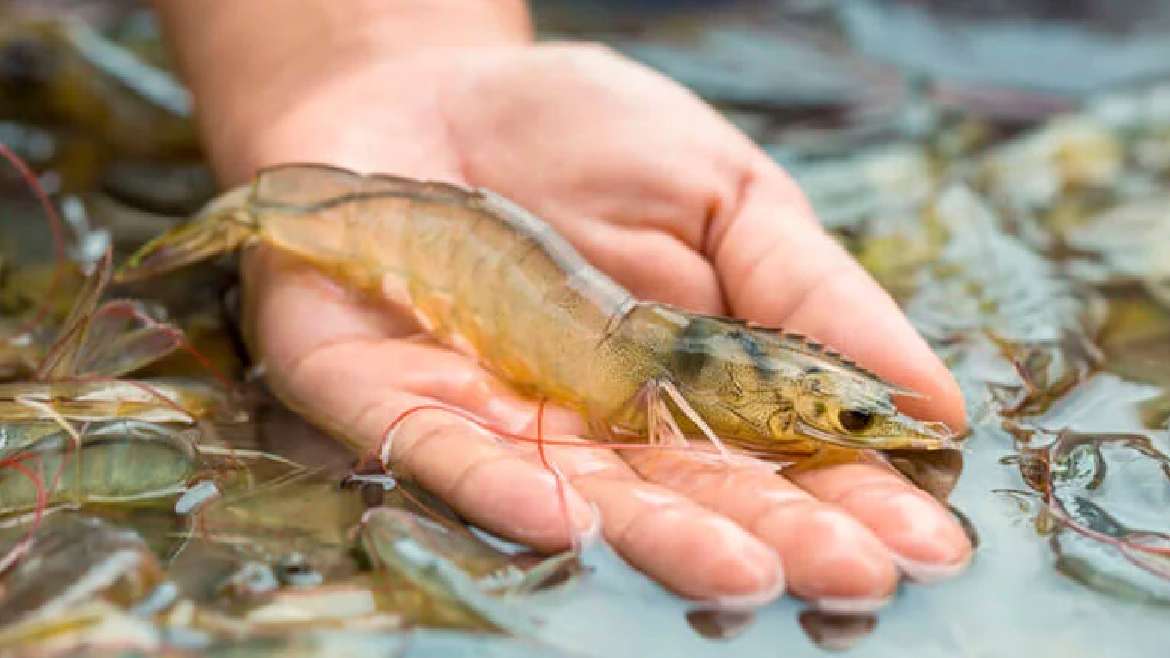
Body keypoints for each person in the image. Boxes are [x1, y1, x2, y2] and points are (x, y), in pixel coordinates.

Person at [153, 0, 972, 608]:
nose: (866, 431)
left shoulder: (704, 362)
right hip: (443, 241)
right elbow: (661, 398)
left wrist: (380, 57)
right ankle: (260, 214)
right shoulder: (665, 374)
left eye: (855, 421)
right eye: (856, 422)